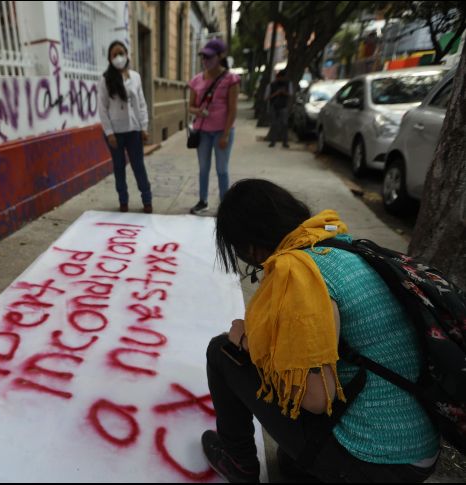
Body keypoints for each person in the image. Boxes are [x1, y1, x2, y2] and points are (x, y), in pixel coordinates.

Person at [204, 179, 440, 483]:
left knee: (222, 351)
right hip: (420, 446)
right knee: (290, 462)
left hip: (378, 459)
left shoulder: (298, 276)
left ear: (251, 246)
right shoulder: (334, 244)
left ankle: (240, 464)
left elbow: (316, 399)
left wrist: (247, 341)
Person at [98, 40, 153, 214]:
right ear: (110, 59)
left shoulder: (135, 77)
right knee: (119, 167)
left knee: (138, 166)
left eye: (121, 53)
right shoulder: (105, 79)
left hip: (134, 131)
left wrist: (144, 127)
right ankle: (123, 201)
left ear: (127, 54)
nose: (118, 57)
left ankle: (147, 200)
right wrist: (109, 133)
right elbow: (102, 108)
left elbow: (141, 103)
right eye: (114, 55)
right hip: (115, 133)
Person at [187, 39, 241, 215]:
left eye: (209, 57)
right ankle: (202, 201)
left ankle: (224, 205)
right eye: (203, 57)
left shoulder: (231, 79)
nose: (205, 60)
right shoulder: (196, 80)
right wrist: (198, 111)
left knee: (222, 170)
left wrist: (226, 134)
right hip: (202, 132)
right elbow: (190, 107)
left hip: (222, 132)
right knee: (203, 169)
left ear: (220, 56)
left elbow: (233, 109)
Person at [265, 70, 293, 148]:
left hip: (283, 106)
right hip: (273, 106)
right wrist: (276, 93)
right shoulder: (271, 85)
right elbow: (266, 97)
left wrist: (284, 93)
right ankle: (272, 141)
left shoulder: (288, 84)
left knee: (284, 124)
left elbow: (291, 94)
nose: (283, 79)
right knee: (274, 124)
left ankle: (285, 142)